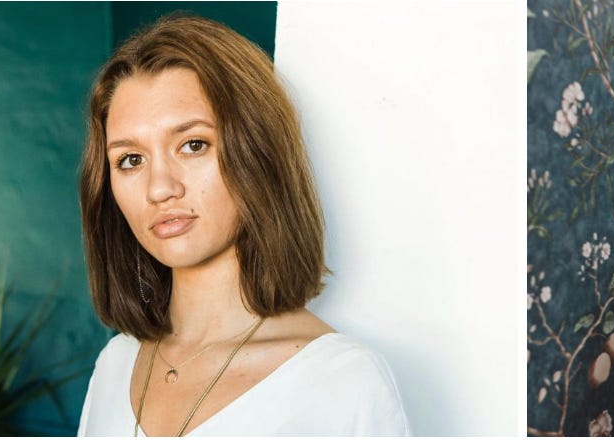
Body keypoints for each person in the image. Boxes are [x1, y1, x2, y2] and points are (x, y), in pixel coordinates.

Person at [74, 14, 408, 436]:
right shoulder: (115, 365)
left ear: (257, 153)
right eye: (131, 159)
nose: (160, 188)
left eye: (193, 145)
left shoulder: (342, 381)